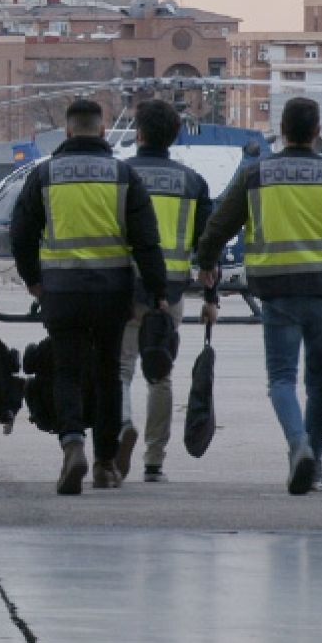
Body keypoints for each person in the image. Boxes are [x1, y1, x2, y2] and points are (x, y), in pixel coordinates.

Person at [195, 96, 322, 495]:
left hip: (278, 291)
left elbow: (218, 226)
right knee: (320, 383)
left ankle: (298, 447)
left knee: (281, 378)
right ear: (317, 132)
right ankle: (311, 465)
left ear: (282, 130)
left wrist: (207, 263)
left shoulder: (256, 175)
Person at [11, 99, 167, 495]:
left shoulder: (44, 175)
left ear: (66, 132)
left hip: (61, 292)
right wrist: (156, 292)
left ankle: (72, 444)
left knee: (66, 371)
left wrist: (33, 279)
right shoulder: (123, 175)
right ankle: (104, 464)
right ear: (101, 132)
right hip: (112, 292)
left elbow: (21, 233)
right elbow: (147, 241)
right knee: (108, 375)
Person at [116, 100, 212, 483]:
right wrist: (212, 298)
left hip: (123, 288)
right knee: (160, 375)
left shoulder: (119, 176)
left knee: (120, 369)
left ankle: (121, 422)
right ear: (175, 136)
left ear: (138, 133)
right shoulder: (192, 182)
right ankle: (154, 459)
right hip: (170, 294)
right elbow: (207, 249)